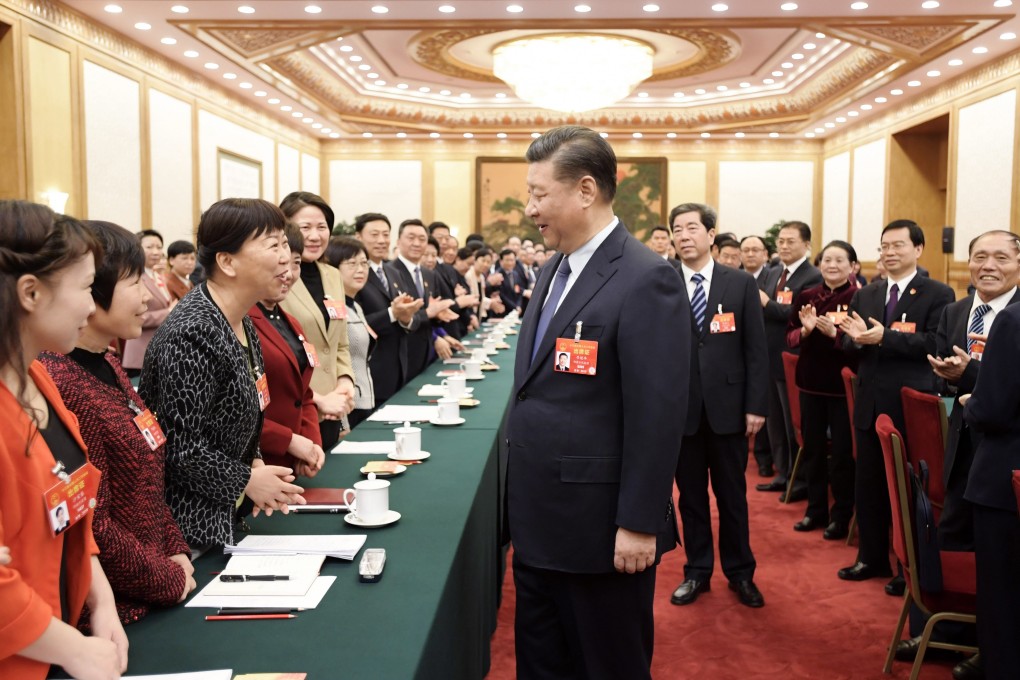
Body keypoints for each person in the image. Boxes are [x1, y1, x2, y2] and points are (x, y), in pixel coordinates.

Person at [506, 126, 689, 679]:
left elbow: (658, 414)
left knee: (607, 664)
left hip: (600, 529)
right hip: (540, 520)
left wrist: (639, 521)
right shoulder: (553, 267)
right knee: (543, 663)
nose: (529, 207)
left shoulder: (646, 278)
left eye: (539, 193)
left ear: (586, 190)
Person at [41, 219, 197, 625]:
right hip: (116, 613)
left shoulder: (108, 361)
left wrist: (175, 548)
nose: (147, 296)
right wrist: (166, 576)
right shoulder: (63, 383)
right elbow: (93, 521)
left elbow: (147, 479)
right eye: (133, 282)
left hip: (154, 589)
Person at [0, 200, 128, 680]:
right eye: (86, 287)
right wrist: (69, 648)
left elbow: (71, 505)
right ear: (30, 292)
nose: (92, 306)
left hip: (56, 639)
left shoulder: (40, 377)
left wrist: (102, 600)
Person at [140, 198, 307, 550]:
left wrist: (256, 460)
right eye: (273, 245)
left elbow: (239, 413)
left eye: (285, 244)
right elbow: (179, 448)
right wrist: (246, 480)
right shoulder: (192, 333)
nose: (285, 257)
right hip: (191, 529)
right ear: (227, 262)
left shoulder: (240, 319)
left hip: (228, 517)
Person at [837, 219, 954, 584]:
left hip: (909, 405)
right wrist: (855, 339)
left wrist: (884, 338)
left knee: (906, 489)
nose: (889, 253)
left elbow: (935, 343)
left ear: (918, 249)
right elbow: (847, 344)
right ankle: (870, 558)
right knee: (868, 485)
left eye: (897, 246)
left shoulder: (938, 293)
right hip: (870, 403)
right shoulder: (867, 293)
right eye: (884, 247)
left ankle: (910, 568)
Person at [669, 202, 769, 610]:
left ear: (711, 234)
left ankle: (741, 573)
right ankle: (696, 571)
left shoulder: (739, 283)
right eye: (677, 229)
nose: (684, 235)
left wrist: (756, 406)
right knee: (690, 498)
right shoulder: (661, 282)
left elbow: (756, 350)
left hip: (730, 409)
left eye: (692, 227)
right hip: (681, 411)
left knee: (732, 497)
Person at [784, 240, 860, 540]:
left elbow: (861, 344)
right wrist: (804, 331)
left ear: (852, 266)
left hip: (842, 388)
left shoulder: (859, 297)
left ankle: (841, 516)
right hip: (810, 383)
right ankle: (815, 511)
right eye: (827, 259)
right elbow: (789, 334)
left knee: (841, 455)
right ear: (819, 264)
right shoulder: (807, 295)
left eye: (840, 260)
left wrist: (835, 334)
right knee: (813, 451)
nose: (832, 265)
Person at [962, 300, 1020, 680]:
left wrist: (970, 404)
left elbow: (992, 409)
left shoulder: (1012, 320)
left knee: (1002, 601)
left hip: (1005, 478)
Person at [278, 191, 357, 450]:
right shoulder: (278, 278)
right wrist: (318, 399)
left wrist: (345, 381)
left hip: (334, 408)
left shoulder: (333, 275)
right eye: (305, 227)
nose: (314, 236)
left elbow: (339, 342)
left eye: (322, 227)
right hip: (298, 411)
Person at [249, 225, 325, 477]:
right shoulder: (239, 322)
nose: (289, 273)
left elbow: (303, 394)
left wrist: (312, 444)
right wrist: (288, 441)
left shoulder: (291, 322)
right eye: (282, 262)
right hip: (257, 467)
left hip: (294, 462)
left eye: (296, 263)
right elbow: (234, 411)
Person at [757, 221, 822, 498]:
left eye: (790, 241)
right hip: (768, 356)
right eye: (781, 241)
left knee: (792, 423)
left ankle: (800, 480)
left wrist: (767, 304)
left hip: (793, 357)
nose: (783, 246)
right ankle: (783, 473)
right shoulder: (773, 273)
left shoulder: (812, 276)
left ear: (806, 245)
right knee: (774, 421)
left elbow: (797, 314)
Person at [352, 212, 421, 405]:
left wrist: (406, 317)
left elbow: (406, 320)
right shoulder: (353, 274)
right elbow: (354, 325)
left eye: (386, 234)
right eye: (374, 235)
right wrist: (392, 314)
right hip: (371, 372)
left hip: (399, 368)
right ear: (358, 237)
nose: (382, 240)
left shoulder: (393, 272)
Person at [384, 220, 456, 380]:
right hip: (401, 355)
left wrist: (439, 315)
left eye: (422, 239)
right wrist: (430, 313)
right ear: (398, 241)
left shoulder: (429, 273)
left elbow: (431, 310)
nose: (417, 243)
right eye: (411, 238)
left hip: (426, 351)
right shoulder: (389, 271)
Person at [325, 237, 377, 428]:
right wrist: (342, 423)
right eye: (352, 263)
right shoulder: (332, 307)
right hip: (348, 408)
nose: (361, 269)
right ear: (332, 268)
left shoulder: (355, 306)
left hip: (364, 399)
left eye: (364, 263)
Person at [122, 229, 175, 372]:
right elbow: (133, 315)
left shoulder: (158, 276)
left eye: (159, 247)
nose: (156, 252)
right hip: (141, 352)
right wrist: (169, 312)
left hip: (159, 349)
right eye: (150, 247)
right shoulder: (134, 276)